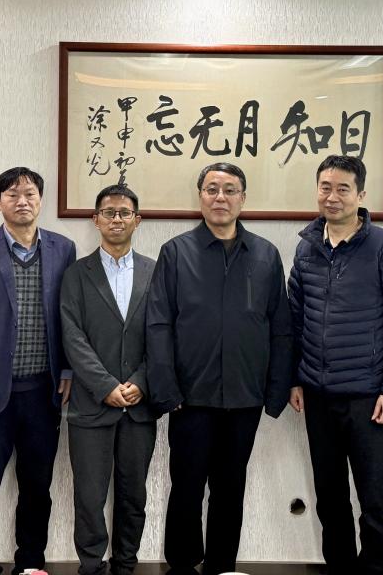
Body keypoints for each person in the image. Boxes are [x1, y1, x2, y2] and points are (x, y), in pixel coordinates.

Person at [147, 162, 293, 575]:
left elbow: (281, 327)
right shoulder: (176, 252)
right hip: (189, 397)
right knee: (187, 486)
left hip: (245, 396)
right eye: (212, 189)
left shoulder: (265, 254)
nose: (220, 197)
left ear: (243, 198)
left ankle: (222, 565)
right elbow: (158, 324)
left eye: (230, 190)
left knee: (231, 488)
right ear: (200, 197)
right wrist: (166, 389)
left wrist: (275, 391)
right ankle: (181, 563)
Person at [288, 154, 383, 575]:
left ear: (361, 195)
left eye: (343, 188)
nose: (333, 196)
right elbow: (294, 320)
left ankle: (378, 569)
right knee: (329, 496)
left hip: (370, 398)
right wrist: (294, 378)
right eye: (325, 187)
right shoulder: (307, 247)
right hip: (318, 395)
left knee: (375, 500)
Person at [0, 167, 76, 575]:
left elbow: (68, 316)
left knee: (37, 487)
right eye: (12, 194)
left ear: (40, 200)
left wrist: (67, 369)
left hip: (44, 391)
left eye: (29, 194)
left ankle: (31, 563)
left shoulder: (63, 248)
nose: (22, 201)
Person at [61, 184, 157, 575]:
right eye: (109, 212)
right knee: (89, 496)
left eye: (124, 213)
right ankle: (91, 566)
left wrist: (141, 381)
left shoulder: (156, 271)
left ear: (137, 220)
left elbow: (165, 335)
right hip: (90, 405)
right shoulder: (76, 274)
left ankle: (126, 564)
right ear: (95, 219)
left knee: (134, 496)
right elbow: (72, 336)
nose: (116, 219)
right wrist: (105, 386)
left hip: (139, 405)